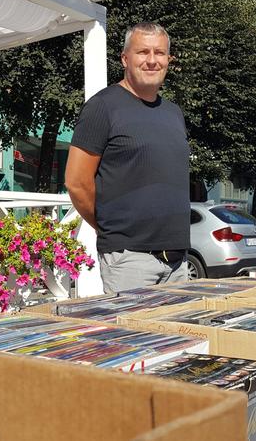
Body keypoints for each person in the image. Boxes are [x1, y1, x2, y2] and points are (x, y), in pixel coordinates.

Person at [65, 22, 190, 294]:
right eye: (143, 52)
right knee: (135, 338)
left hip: (178, 262)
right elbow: (77, 182)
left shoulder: (173, 113)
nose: (152, 60)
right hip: (129, 260)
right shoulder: (103, 107)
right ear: (125, 58)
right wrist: (108, 226)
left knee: (181, 336)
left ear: (169, 59)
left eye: (159, 53)